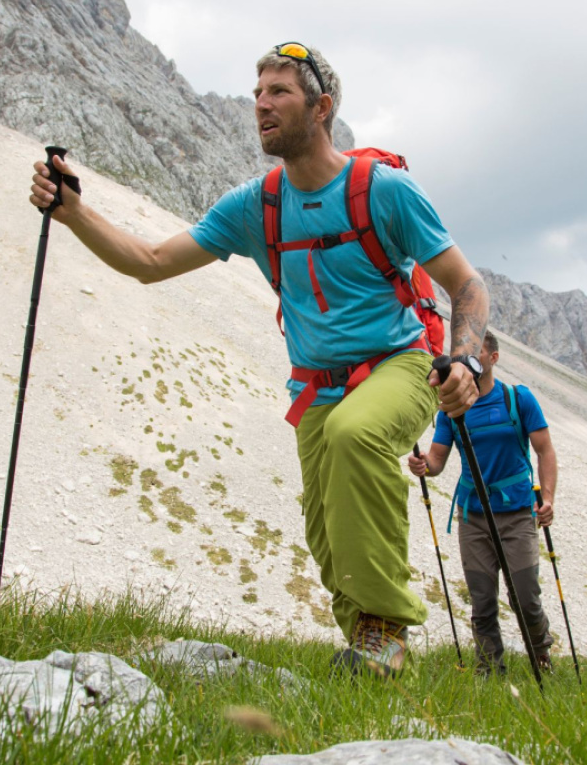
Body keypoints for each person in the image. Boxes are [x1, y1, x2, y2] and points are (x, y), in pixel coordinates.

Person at [30, 42, 490, 678]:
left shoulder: (385, 192)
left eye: (279, 92)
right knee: (327, 527)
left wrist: (463, 361)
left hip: (401, 364)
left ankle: (386, 630)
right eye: (257, 94)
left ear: (321, 108)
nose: (262, 105)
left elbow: (467, 285)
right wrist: (74, 211)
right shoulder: (256, 205)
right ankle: (367, 647)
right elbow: (151, 263)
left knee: (358, 437)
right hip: (317, 388)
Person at [407, 330, 559, 675]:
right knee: (482, 599)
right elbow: (437, 460)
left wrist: (547, 499)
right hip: (473, 514)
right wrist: (423, 466)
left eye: (478, 354)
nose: (467, 362)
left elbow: (545, 450)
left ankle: (541, 653)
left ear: (494, 358)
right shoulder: (451, 409)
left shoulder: (518, 399)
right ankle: (488, 670)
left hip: (518, 513)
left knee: (525, 598)